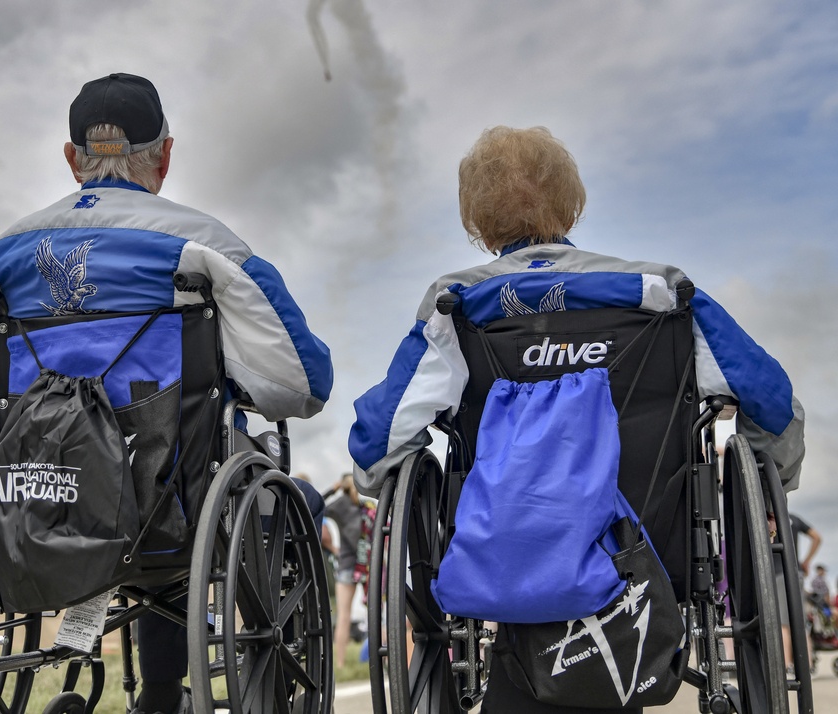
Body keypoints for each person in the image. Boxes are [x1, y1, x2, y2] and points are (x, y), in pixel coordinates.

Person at [348, 126, 805, 714]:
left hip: (503, 560)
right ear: (571, 202)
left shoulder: (455, 307)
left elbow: (376, 445)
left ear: (478, 222)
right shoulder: (662, 294)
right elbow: (772, 402)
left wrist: (391, 482)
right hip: (643, 557)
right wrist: (772, 489)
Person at [0, 72, 333, 714]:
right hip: (168, 506)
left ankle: (156, 692)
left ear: (72, 160)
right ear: (166, 155)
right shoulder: (208, 245)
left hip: (39, 503)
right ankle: (174, 693)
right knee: (206, 476)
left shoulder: (1, 255)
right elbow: (301, 385)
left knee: (173, 472)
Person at [769, 510, 821, 673]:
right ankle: (808, 666)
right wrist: (806, 562)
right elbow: (817, 537)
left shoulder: (768, 518)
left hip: (778, 573)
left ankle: (787, 665)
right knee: (799, 621)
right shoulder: (793, 518)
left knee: (783, 624)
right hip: (795, 572)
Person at [324, 473, 367, 668]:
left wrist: (332, 490)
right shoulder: (364, 506)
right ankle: (380, 656)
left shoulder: (341, 502)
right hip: (367, 564)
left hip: (348, 564)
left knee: (343, 616)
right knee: (376, 613)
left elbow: (317, 507)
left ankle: (339, 663)